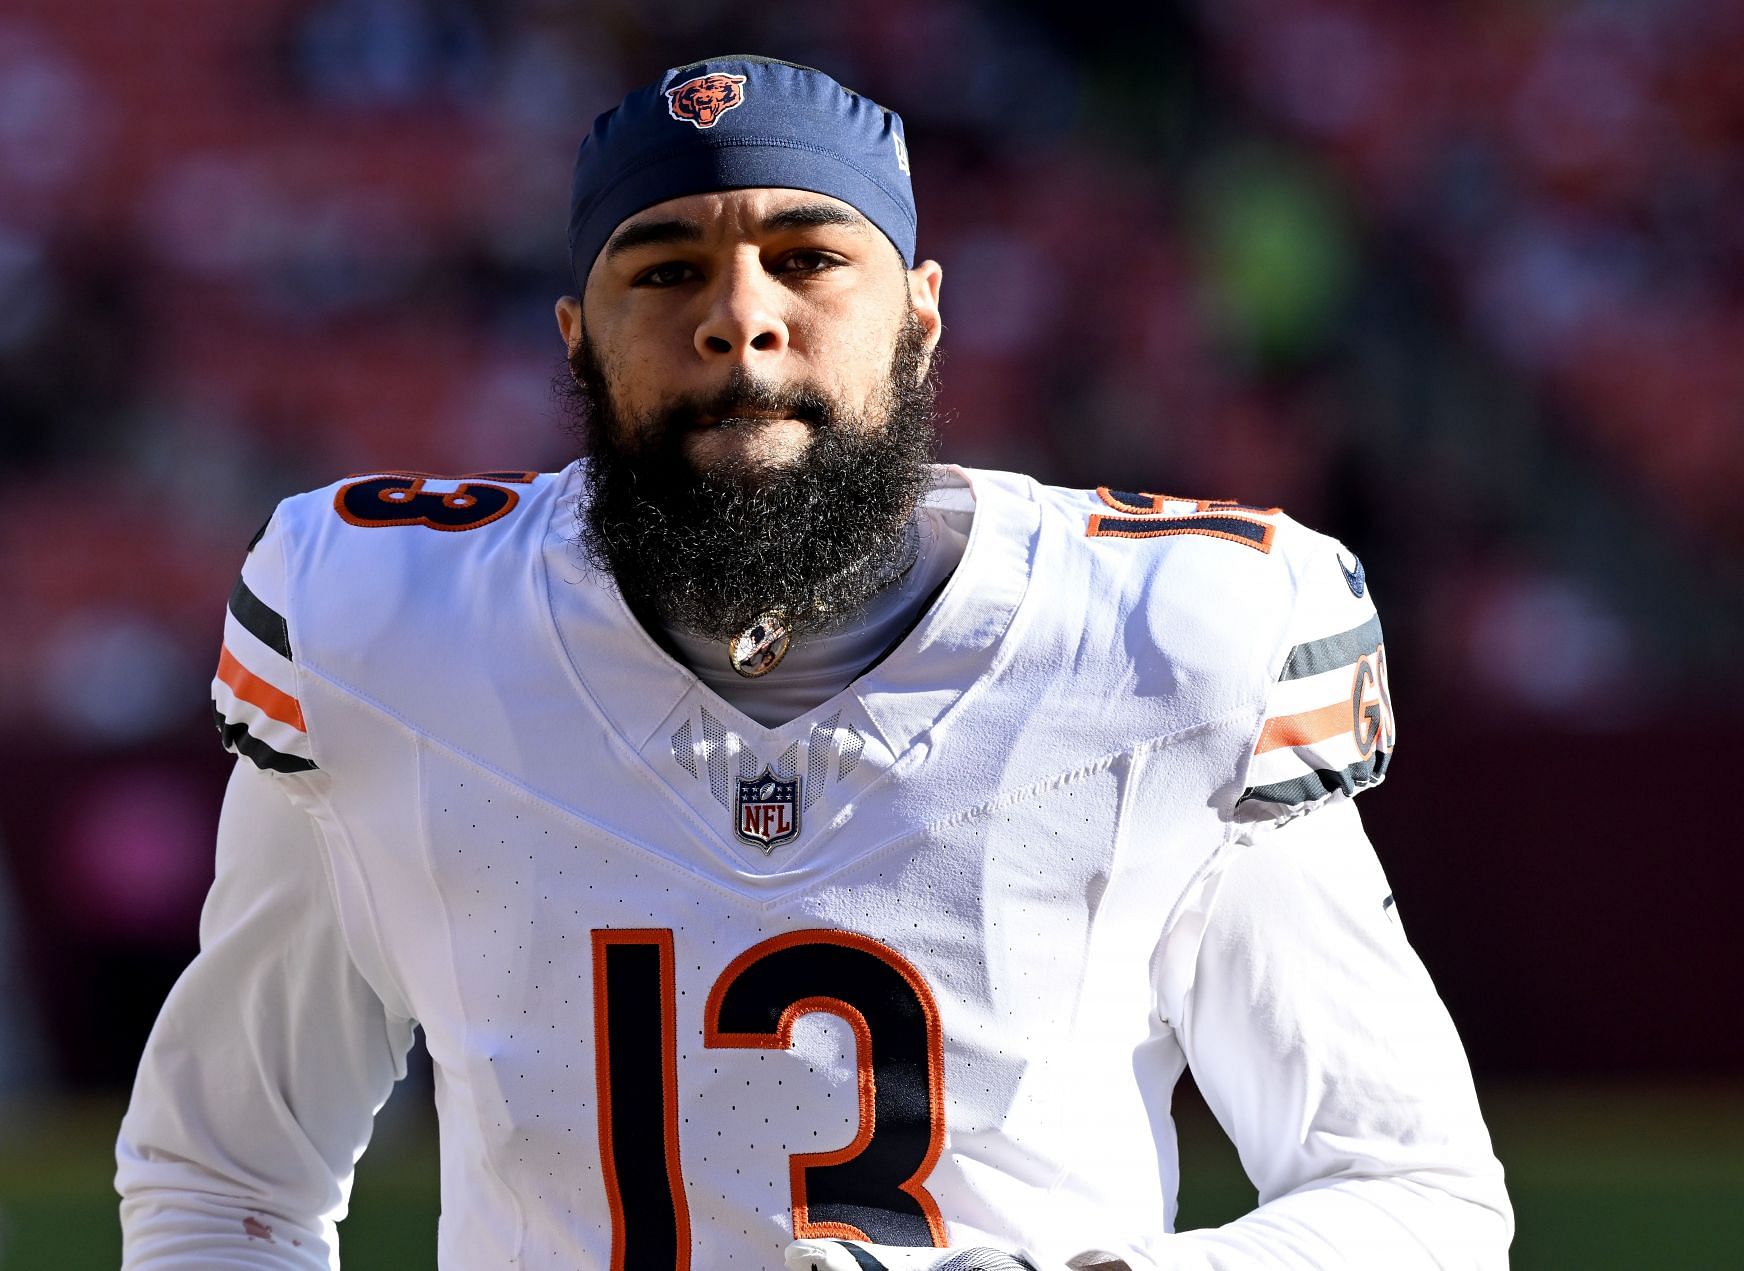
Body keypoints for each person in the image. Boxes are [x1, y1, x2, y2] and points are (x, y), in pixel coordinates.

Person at [116, 55, 1511, 1269]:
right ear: (574, 342)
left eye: (807, 255)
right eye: (666, 269)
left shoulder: (1164, 645)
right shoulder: (386, 634)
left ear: (920, 313)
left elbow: (1414, 1195)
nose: (742, 316)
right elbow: (226, 1176)